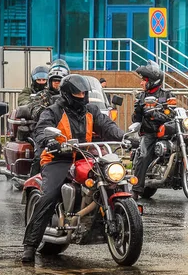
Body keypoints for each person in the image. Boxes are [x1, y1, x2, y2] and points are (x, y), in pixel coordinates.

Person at [21, 74, 125, 263]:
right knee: (49, 196)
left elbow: (107, 126)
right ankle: (30, 245)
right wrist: (51, 141)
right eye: (77, 92)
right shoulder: (53, 111)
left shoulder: (91, 110)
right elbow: (42, 129)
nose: (81, 95)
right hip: (57, 158)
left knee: (113, 178)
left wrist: (124, 136)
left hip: (85, 155)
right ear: (68, 93)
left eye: (84, 92)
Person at [131, 60, 173, 200]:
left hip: (166, 131)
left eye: (144, 80)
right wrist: (138, 109)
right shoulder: (141, 97)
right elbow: (135, 120)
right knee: (143, 156)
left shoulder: (167, 94)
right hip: (149, 133)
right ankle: (136, 190)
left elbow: (171, 114)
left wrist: (155, 114)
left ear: (152, 81)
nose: (141, 83)